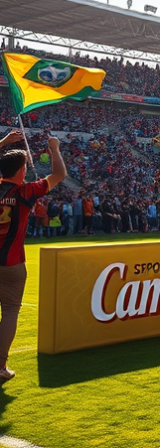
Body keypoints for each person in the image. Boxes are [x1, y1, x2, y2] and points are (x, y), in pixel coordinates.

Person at [0, 132, 66, 382]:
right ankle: (0, 365)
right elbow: (59, 174)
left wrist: (4, 142)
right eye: (25, 166)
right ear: (21, 170)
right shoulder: (25, 192)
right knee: (10, 311)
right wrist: (54, 148)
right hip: (11, 263)